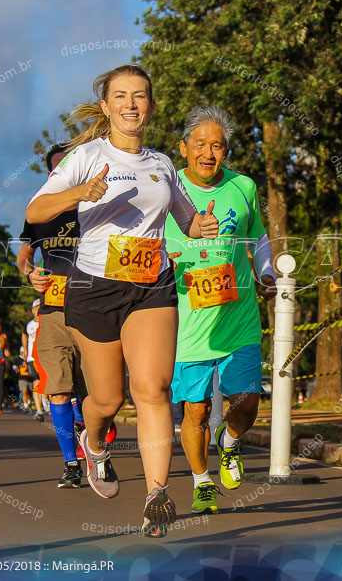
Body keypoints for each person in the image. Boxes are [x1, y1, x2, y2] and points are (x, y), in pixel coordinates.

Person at [25, 64, 219, 536]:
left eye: (140, 96)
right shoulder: (86, 156)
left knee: (152, 390)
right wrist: (78, 193)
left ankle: (156, 494)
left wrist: (200, 226)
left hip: (152, 284)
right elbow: (34, 212)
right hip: (93, 287)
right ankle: (94, 444)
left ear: (149, 106)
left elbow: (185, 217)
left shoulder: (162, 164)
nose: (131, 104)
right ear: (108, 105)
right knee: (106, 400)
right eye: (121, 96)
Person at [163, 106, 278, 514]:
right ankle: (200, 480)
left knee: (247, 402)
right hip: (188, 322)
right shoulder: (166, 187)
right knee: (195, 410)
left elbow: (259, 238)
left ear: (225, 152)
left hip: (238, 315)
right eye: (200, 144)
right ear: (184, 148)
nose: (208, 153)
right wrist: (167, 260)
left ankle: (229, 441)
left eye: (217, 146)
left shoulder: (242, 186)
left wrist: (266, 273)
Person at [18, 142, 93, 486]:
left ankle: (93, 440)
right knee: (58, 391)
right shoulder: (40, 213)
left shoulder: (100, 208)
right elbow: (24, 256)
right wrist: (29, 272)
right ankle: (71, 464)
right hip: (54, 311)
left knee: (99, 396)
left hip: (97, 308)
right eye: (57, 169)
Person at [21, 299, 46, 422]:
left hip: (45, 356)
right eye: (36, 307)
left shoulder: (46, 321)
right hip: (32, 357)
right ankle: (39, 410)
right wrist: (25, 350)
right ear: (32, 310)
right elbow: (24, 335)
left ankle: (46, 401)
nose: (38, 309)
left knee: (46, 381)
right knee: (36, 382)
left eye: (40, 307)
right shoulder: (28, 324)